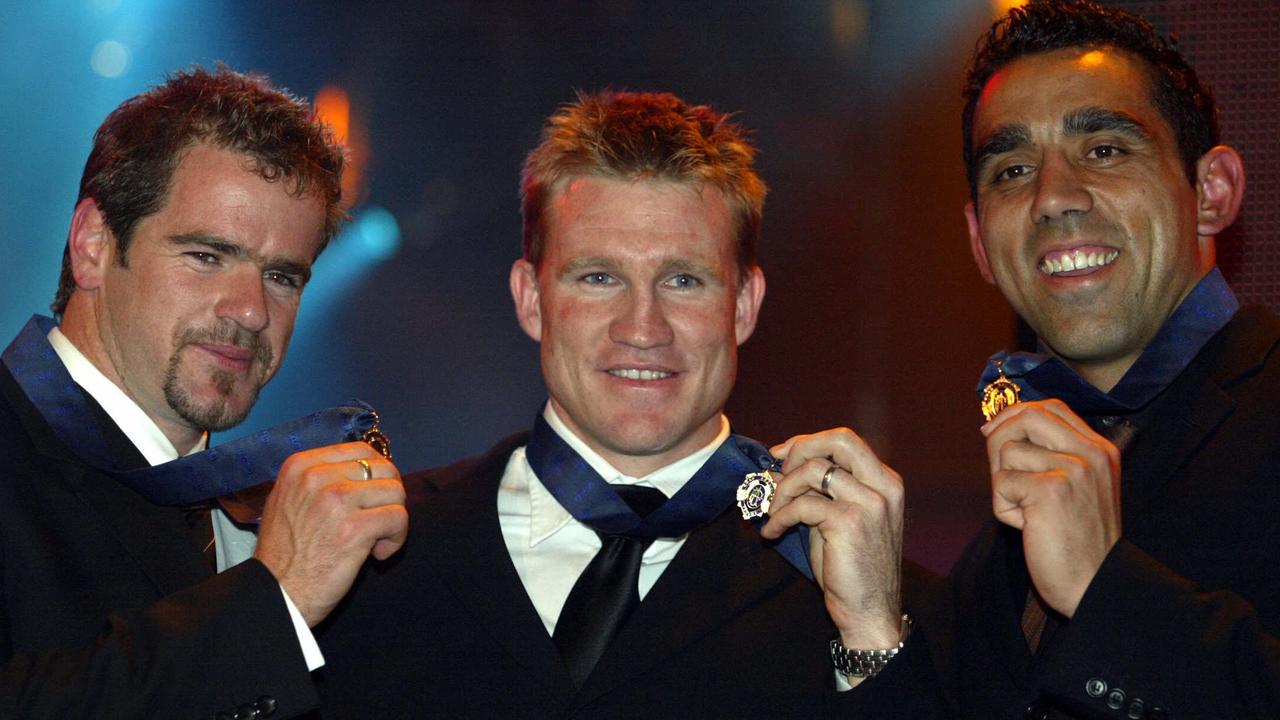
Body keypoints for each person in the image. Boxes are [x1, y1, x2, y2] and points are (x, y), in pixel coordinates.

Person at [317, 90, 926, 718]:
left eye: (683, 280)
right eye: (599, 277)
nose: (643, 326)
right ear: (531, 298)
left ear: (743, 305)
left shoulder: (867, 589)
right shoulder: (376, 551)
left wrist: (871, 639)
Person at [852, 1, 1280, 717]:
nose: (1052, 197)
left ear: (1212, 192)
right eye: (1013, 169)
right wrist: (870, 628)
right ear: (981, 243)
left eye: (1105, 150)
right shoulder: (993, 546)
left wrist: (1104, 589)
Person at [0, 67, 408, 718]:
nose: (250, 310)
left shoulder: (263, 508)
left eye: (281, 275)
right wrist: (272, 605)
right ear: (94, 245)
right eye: (207, 255)